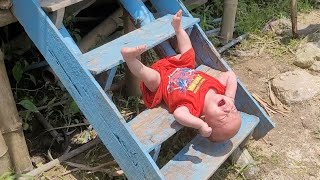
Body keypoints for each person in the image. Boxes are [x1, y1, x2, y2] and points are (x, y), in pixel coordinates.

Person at [121, 10, 241, 142]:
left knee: (151, 77)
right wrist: (230, 97)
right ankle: (178, 28)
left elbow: (179, 114)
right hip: (180, 67)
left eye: (224, 117)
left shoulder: (194, 109)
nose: (228, 109)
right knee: (189, 53)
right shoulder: (219, 89)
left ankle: (130, 59)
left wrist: (199, 125)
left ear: (204, 118)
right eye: (234, 109)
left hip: (162, 83)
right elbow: (230, 75)